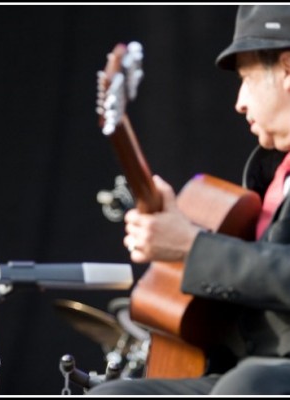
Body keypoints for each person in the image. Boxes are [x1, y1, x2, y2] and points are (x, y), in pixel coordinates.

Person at [87, 5, 290, 396]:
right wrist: (178, 232)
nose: (239, 102)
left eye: (247, 78)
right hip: (242, 372)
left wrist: (191, 245)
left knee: (244, 386)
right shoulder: (269, 172)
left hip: (258, 381)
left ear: (286, 68)